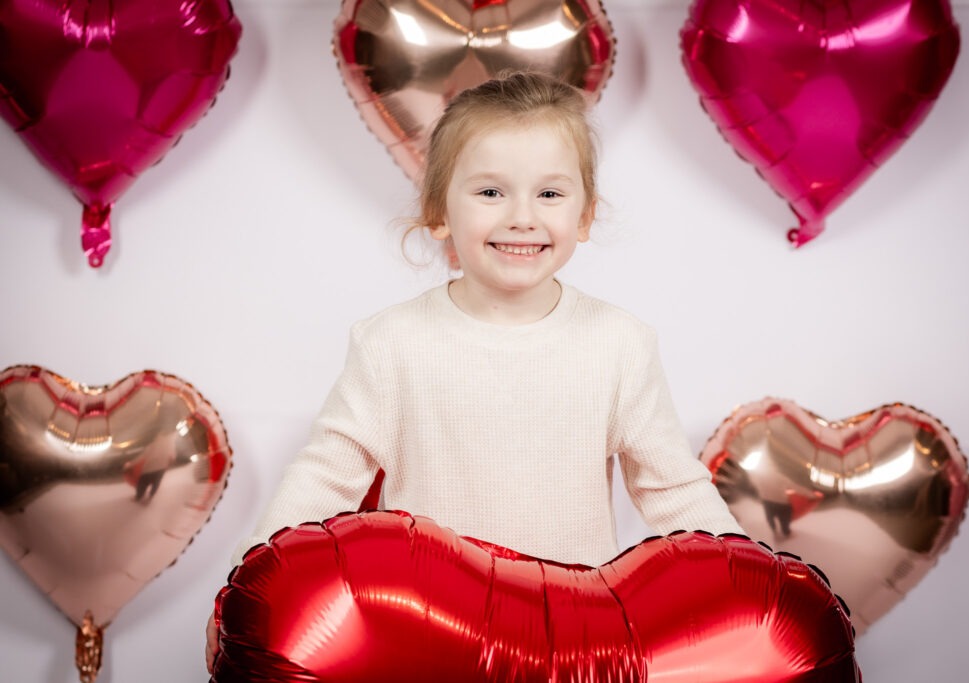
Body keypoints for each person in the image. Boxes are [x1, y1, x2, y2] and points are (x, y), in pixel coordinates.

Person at [205, 71, 744, 672]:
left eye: (550, 194)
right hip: (428, 636)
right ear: (439, 212)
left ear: (586, 216)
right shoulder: (392, 342)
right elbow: (325, 477)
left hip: (574, 641)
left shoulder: (621, 343)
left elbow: (673, 489)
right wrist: (244, 587)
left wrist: (752, 585)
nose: (522, 217)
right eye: (491, 193)